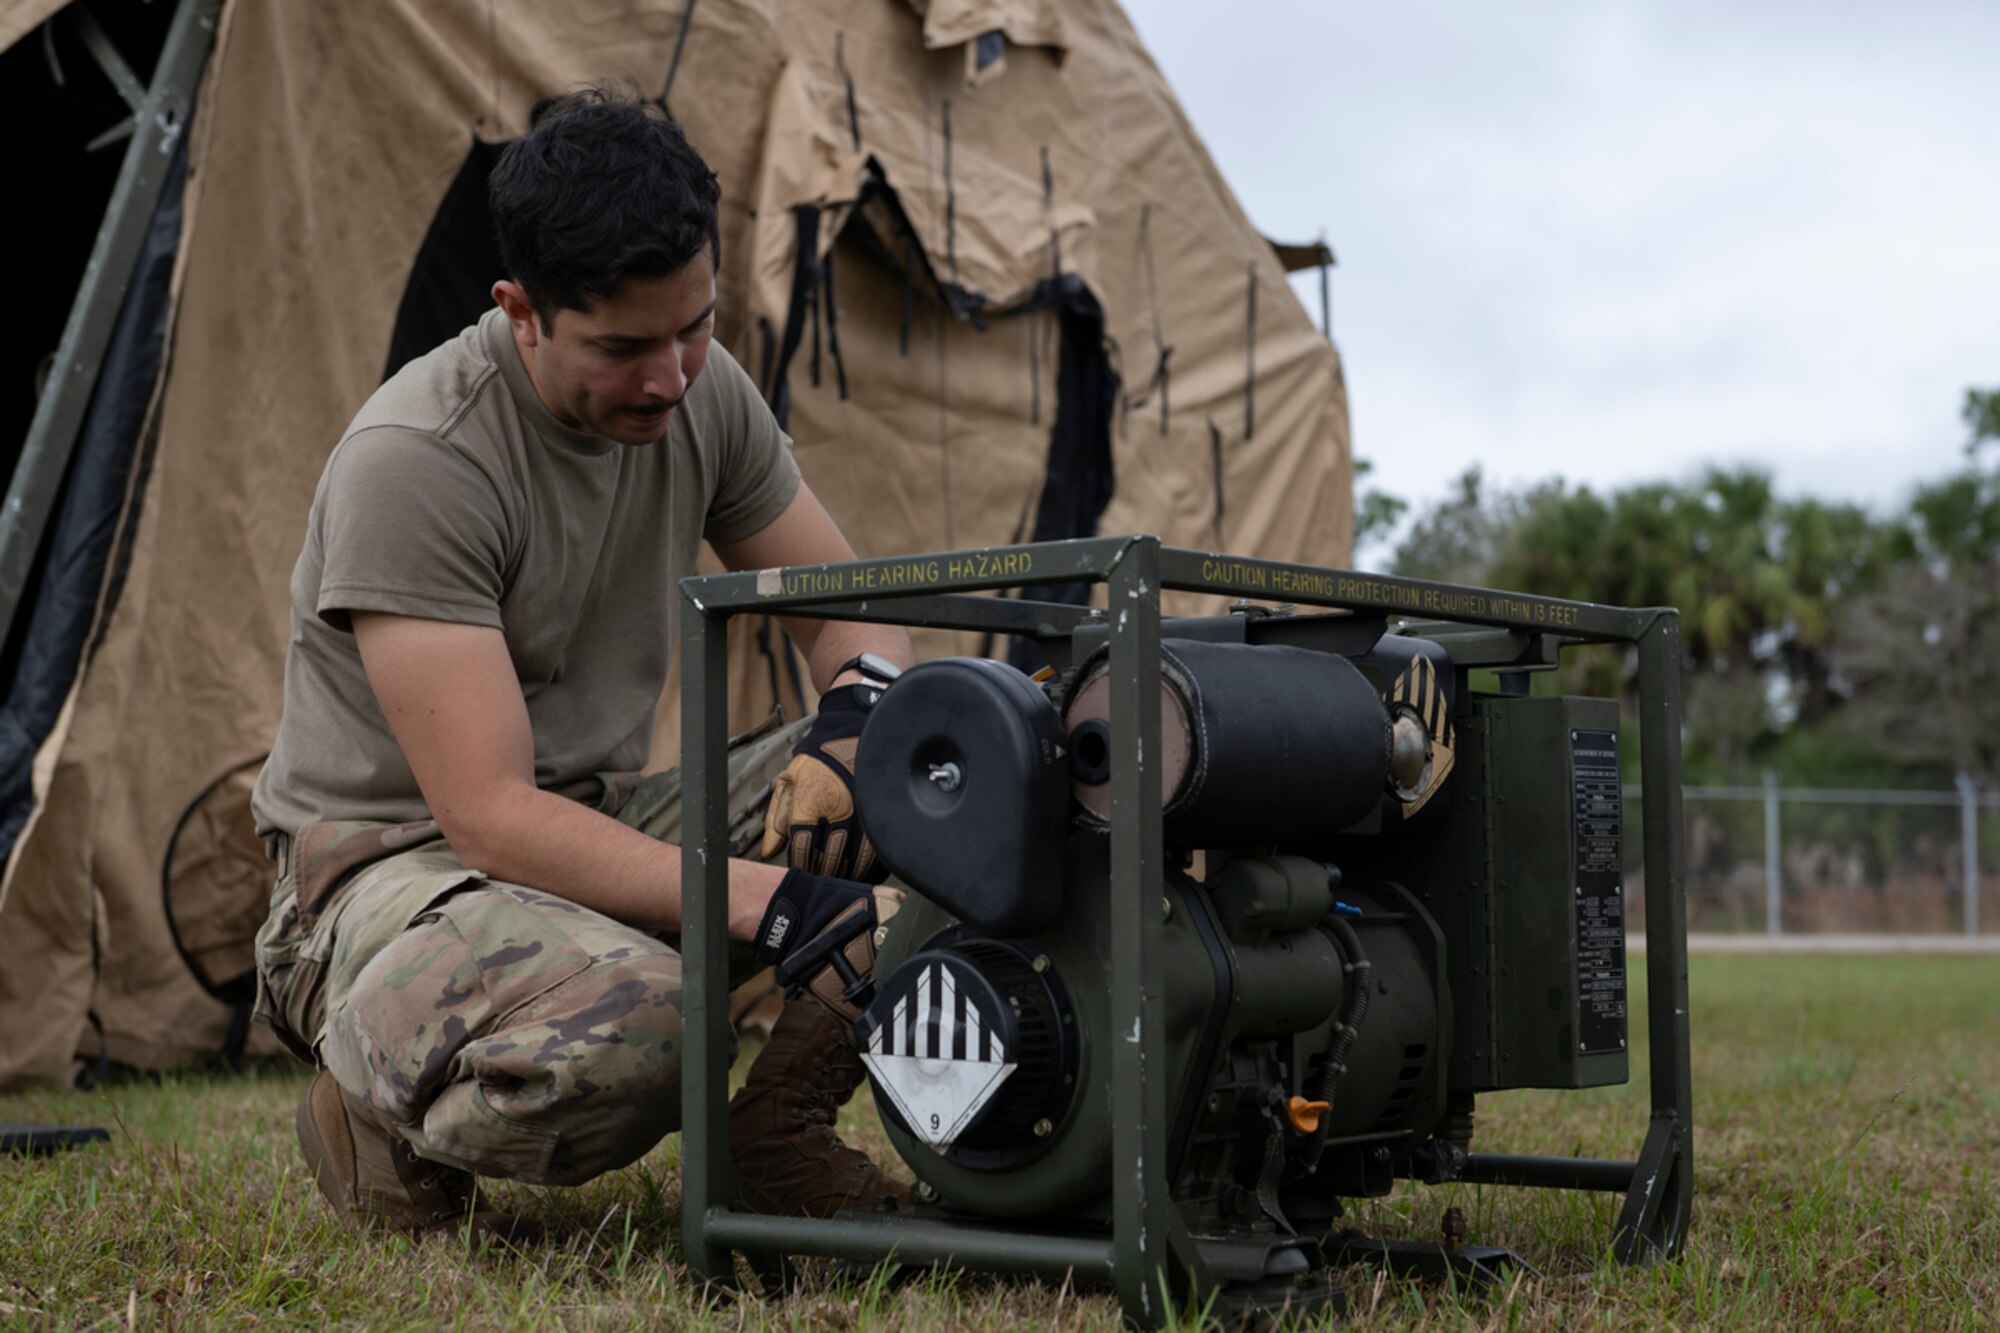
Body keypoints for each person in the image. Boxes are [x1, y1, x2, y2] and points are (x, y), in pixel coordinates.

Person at [249, 86, 915, 1237]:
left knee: (949, 769)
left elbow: (846, 606)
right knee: (657, 1034)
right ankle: (373, 1088)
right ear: (520, 311)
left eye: (693, 327)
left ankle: (777, 1138)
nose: (669, 377)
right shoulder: (416, 461)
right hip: (388, 874)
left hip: (595, 819)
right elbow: (493, 820)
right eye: (621, 346)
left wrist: (860, 715)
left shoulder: (701, 390)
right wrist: (781, 900)